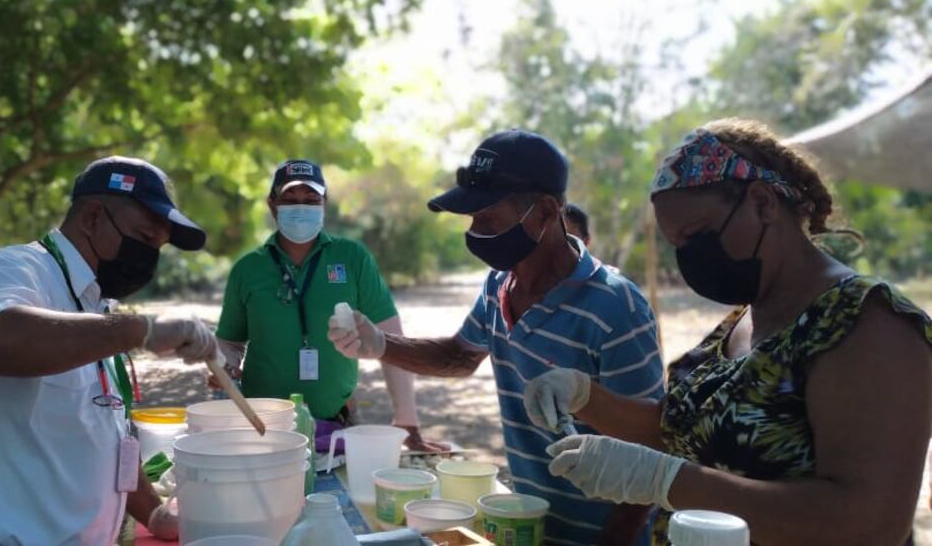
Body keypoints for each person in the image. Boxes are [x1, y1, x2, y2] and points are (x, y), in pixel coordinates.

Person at [527, 119, 932, 545]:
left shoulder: (867, 325)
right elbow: (687, 429)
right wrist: (583, 396)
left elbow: (870, 524)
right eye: (677, 245)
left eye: (696, 235)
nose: (690, 259)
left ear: (761, 204)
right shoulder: (747, 317)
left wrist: (666, 481)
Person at [329, 130, 665, 545]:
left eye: (487, 218)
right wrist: (380, 344)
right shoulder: (499, 285)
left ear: (544, 211)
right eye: (472, 219)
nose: (475, 231)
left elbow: (650, 441)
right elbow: (459, 356)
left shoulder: (616, 308)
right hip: (525, 522)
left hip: (599, 536)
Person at [0, 157, 222, 545]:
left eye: (157, 247)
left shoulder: (95, 308)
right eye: (144, 238)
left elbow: (108, 441)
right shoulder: (10, 270)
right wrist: (138, 329)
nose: (148, 260)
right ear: (93, 217)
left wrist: (154, 514)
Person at [215, 159, 445, 451]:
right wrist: (225, 364)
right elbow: (230, 342)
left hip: (339, 425)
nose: (301, 208)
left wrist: (407, 420)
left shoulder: (352, 258)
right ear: (272, 205)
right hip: (261, 428)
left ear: (324, 203)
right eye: (290, 200)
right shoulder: (248, 269)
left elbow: (392, 339)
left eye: (311, 200)